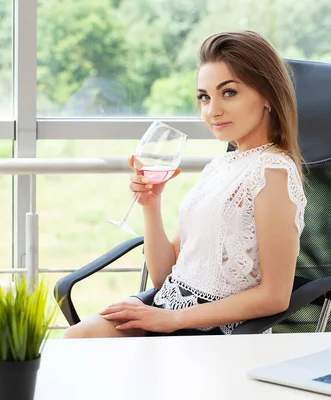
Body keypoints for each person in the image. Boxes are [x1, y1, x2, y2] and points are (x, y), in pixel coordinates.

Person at [63, 30, 307, 338]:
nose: (211, 110)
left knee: (82, 345)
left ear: (268, 96)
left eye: (228, 93)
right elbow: (165, 274)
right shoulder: (221, 165)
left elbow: (275, 295)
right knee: (75, 339)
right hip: (169, 307)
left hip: (214, 330)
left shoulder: (272, 172)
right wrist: (151, 206)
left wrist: (172, 320)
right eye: (204, 97)